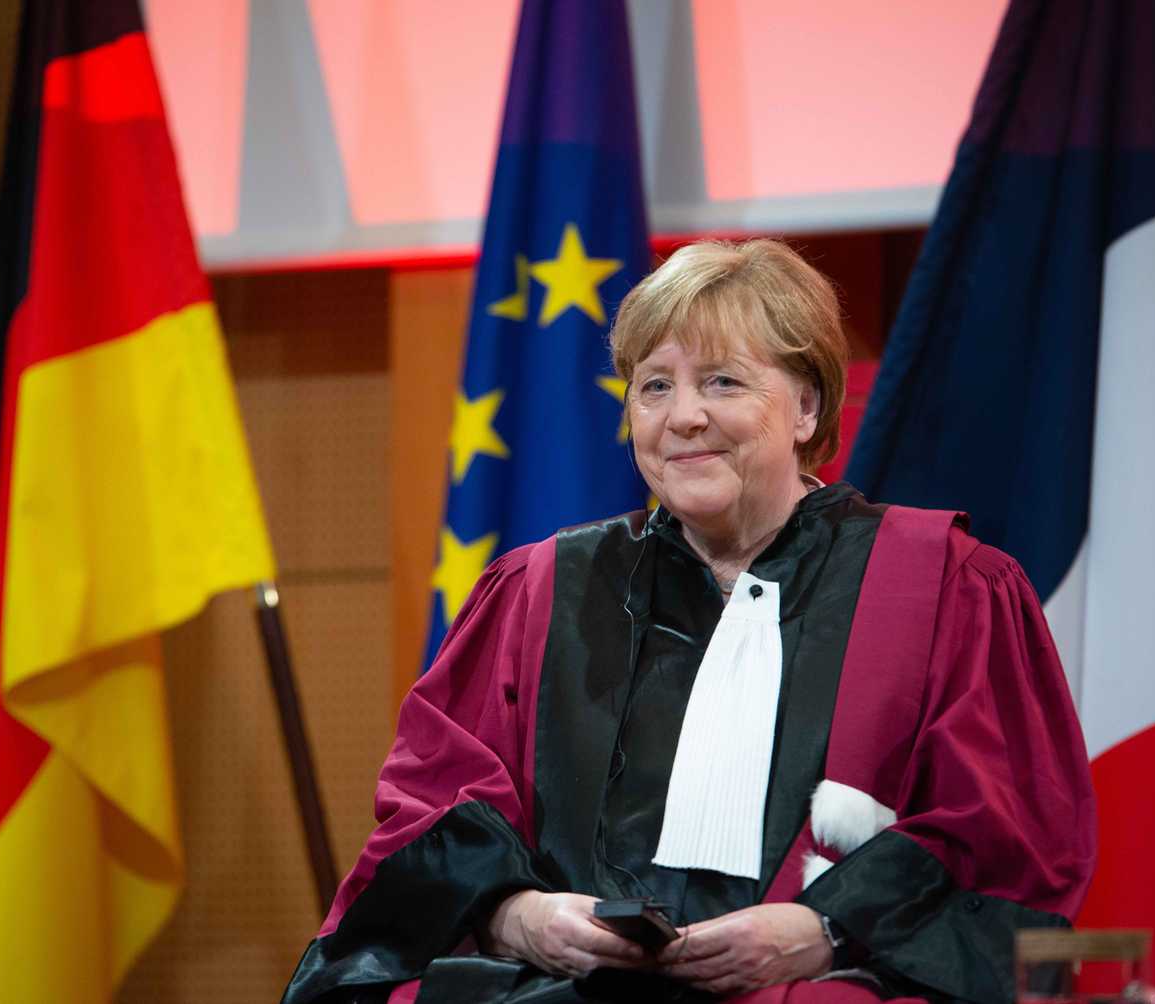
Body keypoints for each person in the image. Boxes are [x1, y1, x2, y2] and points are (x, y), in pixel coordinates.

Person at [282, 240, 1096, 1004]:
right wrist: (518, 915)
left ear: (806, 406)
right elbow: (432, 809)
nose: (682, 417)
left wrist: (827, 927)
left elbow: (1007, 845)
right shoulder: (537, 591)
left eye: (723, 383)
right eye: (655, 385)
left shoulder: (944, 586)